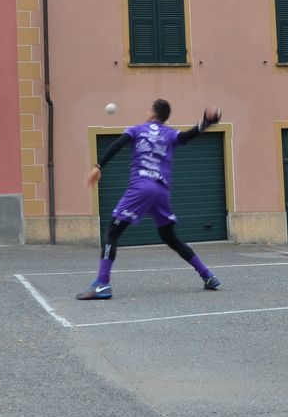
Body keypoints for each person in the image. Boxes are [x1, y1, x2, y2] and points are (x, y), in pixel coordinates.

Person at [76, 99, 222, 300]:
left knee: (112, 233)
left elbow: (118, 144)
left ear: (153, 114)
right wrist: (205, 123)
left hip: (141, 187)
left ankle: (102, 285)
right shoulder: (170, 133)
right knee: (170, 237)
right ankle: (207, 275)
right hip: (161, 190)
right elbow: (188, 136)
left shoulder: (137, 130)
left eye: (148, 110)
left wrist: (98, 166)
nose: (146, 112)